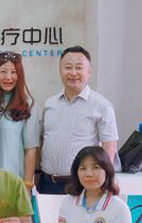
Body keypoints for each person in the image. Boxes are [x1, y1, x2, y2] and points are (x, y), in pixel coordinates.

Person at [35, 45, 119, 194]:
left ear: (89, 71)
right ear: (60, 70)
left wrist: (106, 181)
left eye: (79, 68)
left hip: (81, 184)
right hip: (47, 183)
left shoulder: (102, 106)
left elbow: (109, 145)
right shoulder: (50, 104)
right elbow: (42, 141)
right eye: (68, 67)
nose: (73, 73)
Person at [0, 52, 38, 188]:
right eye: (3, 72)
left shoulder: (28, 105)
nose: (8, 77)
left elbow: (30, 149)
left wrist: (27, 185)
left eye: (13, 72)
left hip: (16, 181)